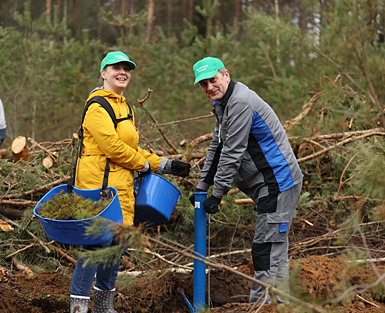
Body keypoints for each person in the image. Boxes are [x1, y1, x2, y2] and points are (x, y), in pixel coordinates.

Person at [68, 51, 190, 313]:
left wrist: (163, 164)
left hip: (121, 189)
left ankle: (103, 307)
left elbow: (131, 148)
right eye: (116, 68)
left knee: (116, 247)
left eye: (126, 68)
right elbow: (112, 147)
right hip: (99, 190)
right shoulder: (97, 106)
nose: (122, 72)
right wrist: (143, 164)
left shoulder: (125, 107)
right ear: (103, 73)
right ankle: (78, 308)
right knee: (95, 248)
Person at [189, 57, 303, 304]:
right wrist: (202, 187)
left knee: (265, 250)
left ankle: (260, 307)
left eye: (213, 80)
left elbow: (232, 151)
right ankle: (281, 306)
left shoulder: (240, 101)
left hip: (278, 183)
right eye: (203, 84)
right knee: (274, 251)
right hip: (268, 185)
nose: (209, 87)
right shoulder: (224, 104)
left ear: (226, 75)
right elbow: (217, 147)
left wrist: (217, 195)